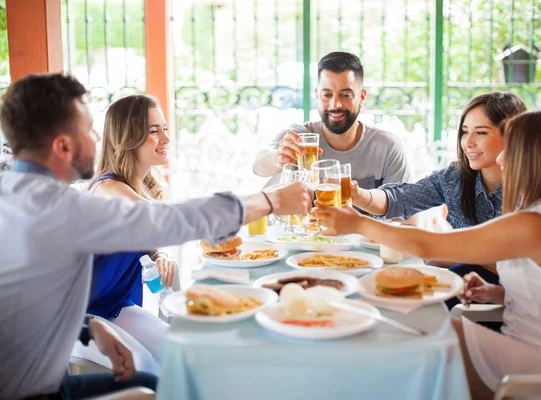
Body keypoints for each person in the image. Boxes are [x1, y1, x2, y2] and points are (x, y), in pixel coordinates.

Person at [0, 73, 312, 400]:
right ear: (63, 146)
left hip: (57, 369)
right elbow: (171, 220)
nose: (97, 137)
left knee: (157, 384)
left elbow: (24, 303)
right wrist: (270, 201)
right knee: (165, 389)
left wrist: (89, 326)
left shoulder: (16, 196)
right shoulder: (64, 208)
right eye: (90, 129)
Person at [315, 107, 541, 398]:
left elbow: (427, 245)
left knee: (419, 337)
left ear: (536, 159)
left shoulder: (536, 223)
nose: (502, 159)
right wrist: (498, 293)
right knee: (423, 325)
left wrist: (358, 223)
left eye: (510, 151)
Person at [353, 92, 526, 285]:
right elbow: (400, 199)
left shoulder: (532, 189)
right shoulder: (455, 177)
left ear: (512, 136)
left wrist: (444, 253)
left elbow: (522, 264)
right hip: (475, 285)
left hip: (521, 293)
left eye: (481, 132)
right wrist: (359, 195)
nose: (468, 143)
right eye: (465, 131)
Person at [78, 95, 176, 368]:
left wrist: (159, 255)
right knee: (146, 366)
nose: (166, 139)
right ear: (128, 137)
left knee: (180, 349)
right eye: (154, 131)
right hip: (80, 317)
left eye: (165, 128)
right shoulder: (108, 188)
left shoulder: (135, 188)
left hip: (113, 306)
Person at [252, 51, 411, 189]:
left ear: (361, 97)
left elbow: (407, 219)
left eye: (346, 95)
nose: (335, 104)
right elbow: (258, 165)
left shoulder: (387, 147)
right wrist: (277, 158)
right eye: (327, 95)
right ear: (317, 95)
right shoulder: (301, 137)